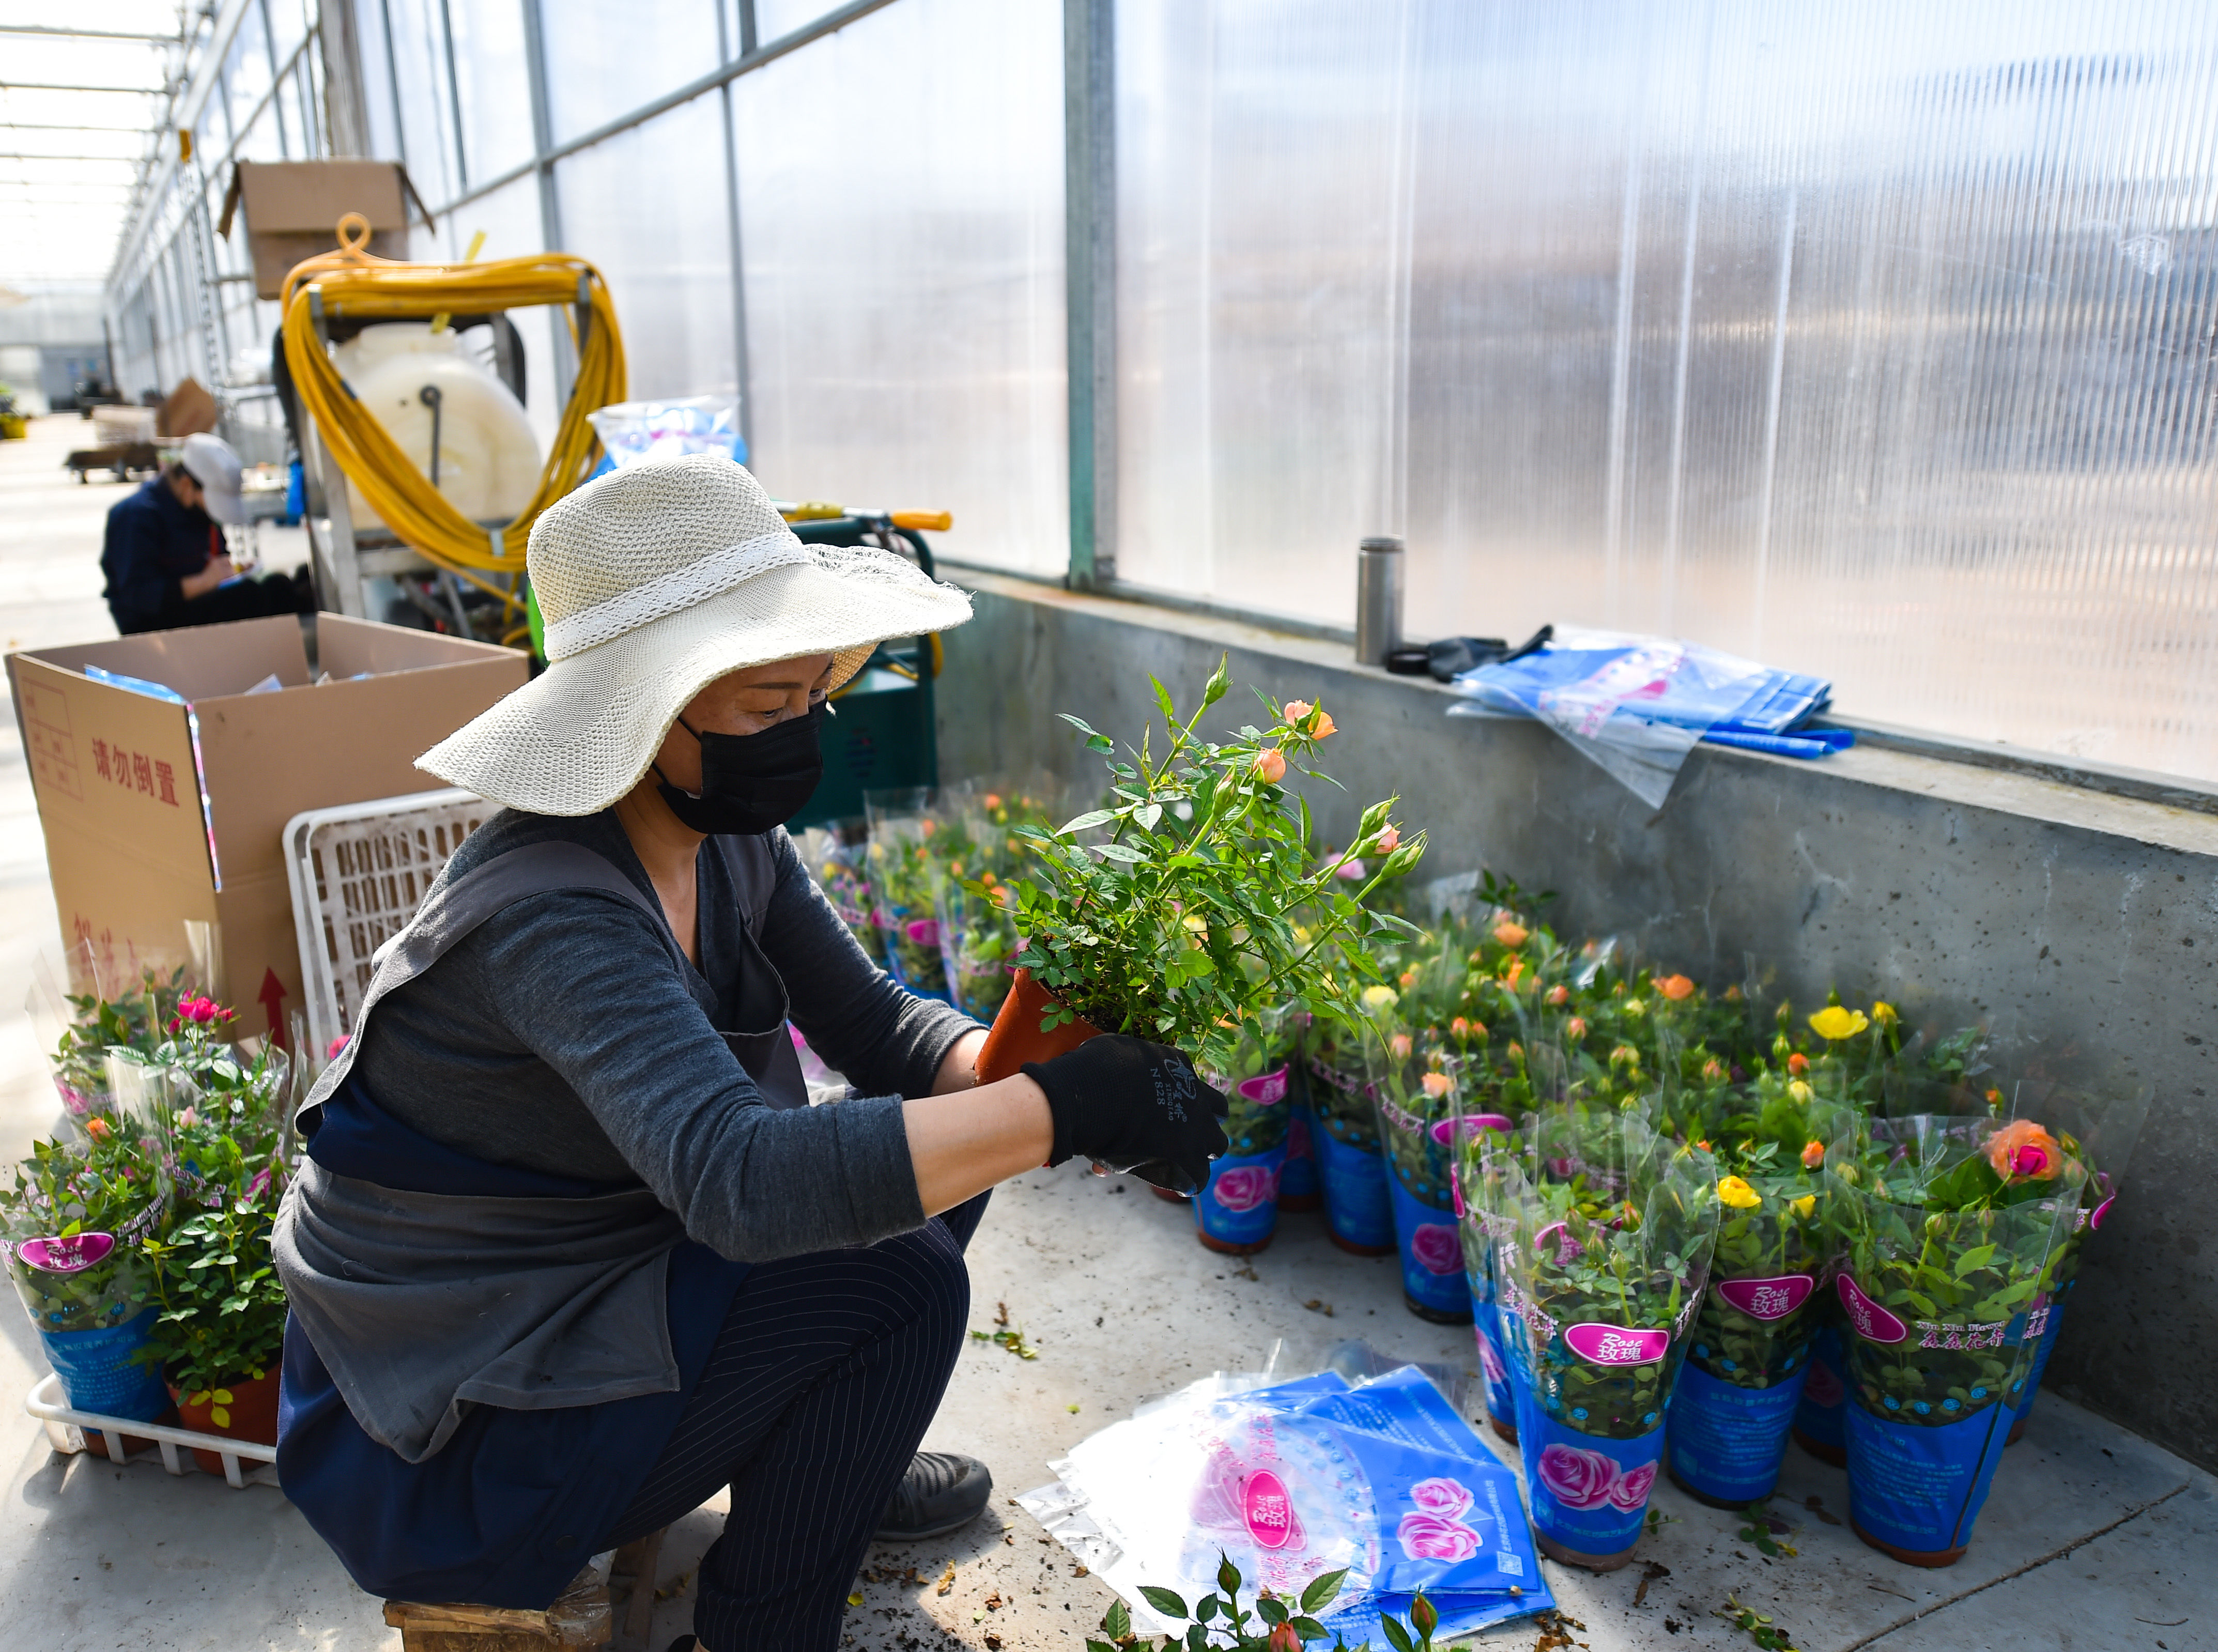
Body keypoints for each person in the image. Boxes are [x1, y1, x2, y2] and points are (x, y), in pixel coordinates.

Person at [271, 455, 1227, 1652]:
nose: (805, 734)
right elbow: (743, 1182)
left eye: (811, 699)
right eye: (766, 707)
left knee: (929, 1169)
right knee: (902, 1274)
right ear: (635, 714)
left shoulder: (725, 842)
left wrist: (1022, 1070)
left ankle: (836, 1457)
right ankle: (759, 1627)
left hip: (590, 1282)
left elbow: (878, 1028)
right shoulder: (551, 913)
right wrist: (1060, 1109)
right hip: (455, 1428)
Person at [100, 431, 310, 634]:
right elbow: (140, 596)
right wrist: (205, 581)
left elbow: (217, 556)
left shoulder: (200, 514)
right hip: (155, 625)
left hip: (198, 603)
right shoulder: (135, 516)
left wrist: (232, 572)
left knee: (278, 587)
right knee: (251, 597)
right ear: (186, 485)